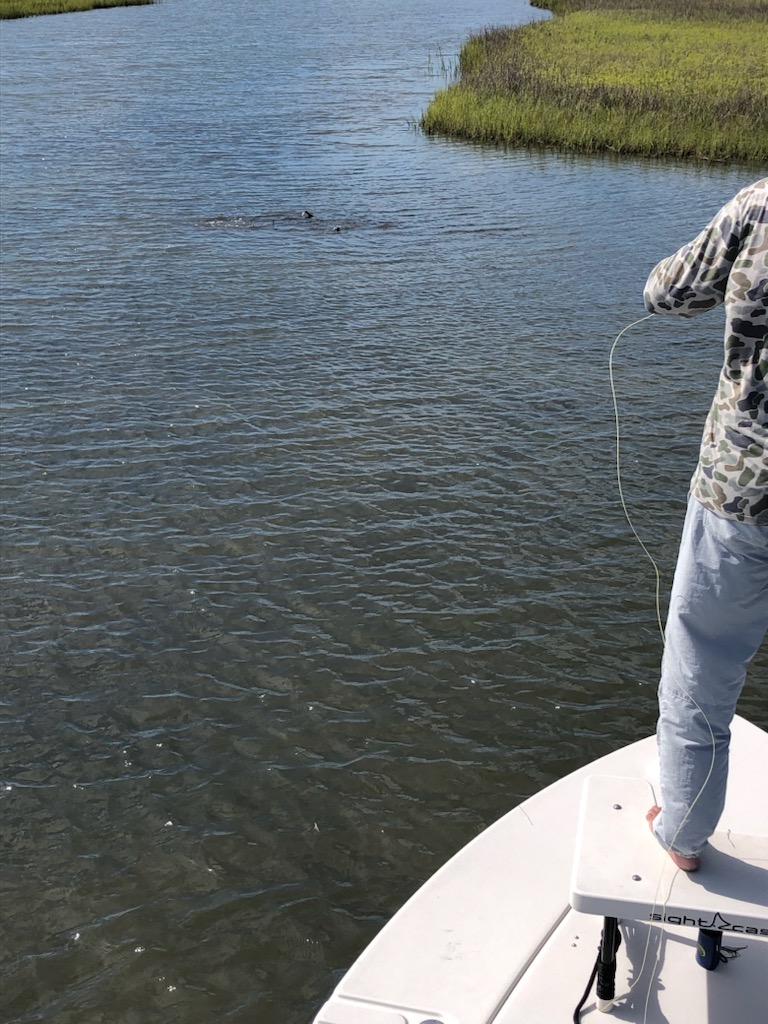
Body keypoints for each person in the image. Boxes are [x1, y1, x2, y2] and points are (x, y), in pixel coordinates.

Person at [641, 178, 768, 872]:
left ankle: (684, 839)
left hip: (742, 491)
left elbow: (665, 291)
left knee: (700, 669)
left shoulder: (760, 207)